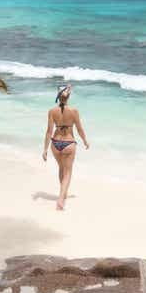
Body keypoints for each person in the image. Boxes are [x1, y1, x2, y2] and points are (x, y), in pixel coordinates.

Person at [42, 83, 90, 211]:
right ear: (68, 97)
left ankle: (62, 193)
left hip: (55, 143)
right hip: (69, 144)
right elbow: (79, 129)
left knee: (61, 169)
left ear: (58, 96)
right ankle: (61, 199)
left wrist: (45, 150)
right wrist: (85, 140)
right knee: (68, 172)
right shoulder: (74, 111)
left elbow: (48, 131)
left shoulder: (52, 111)